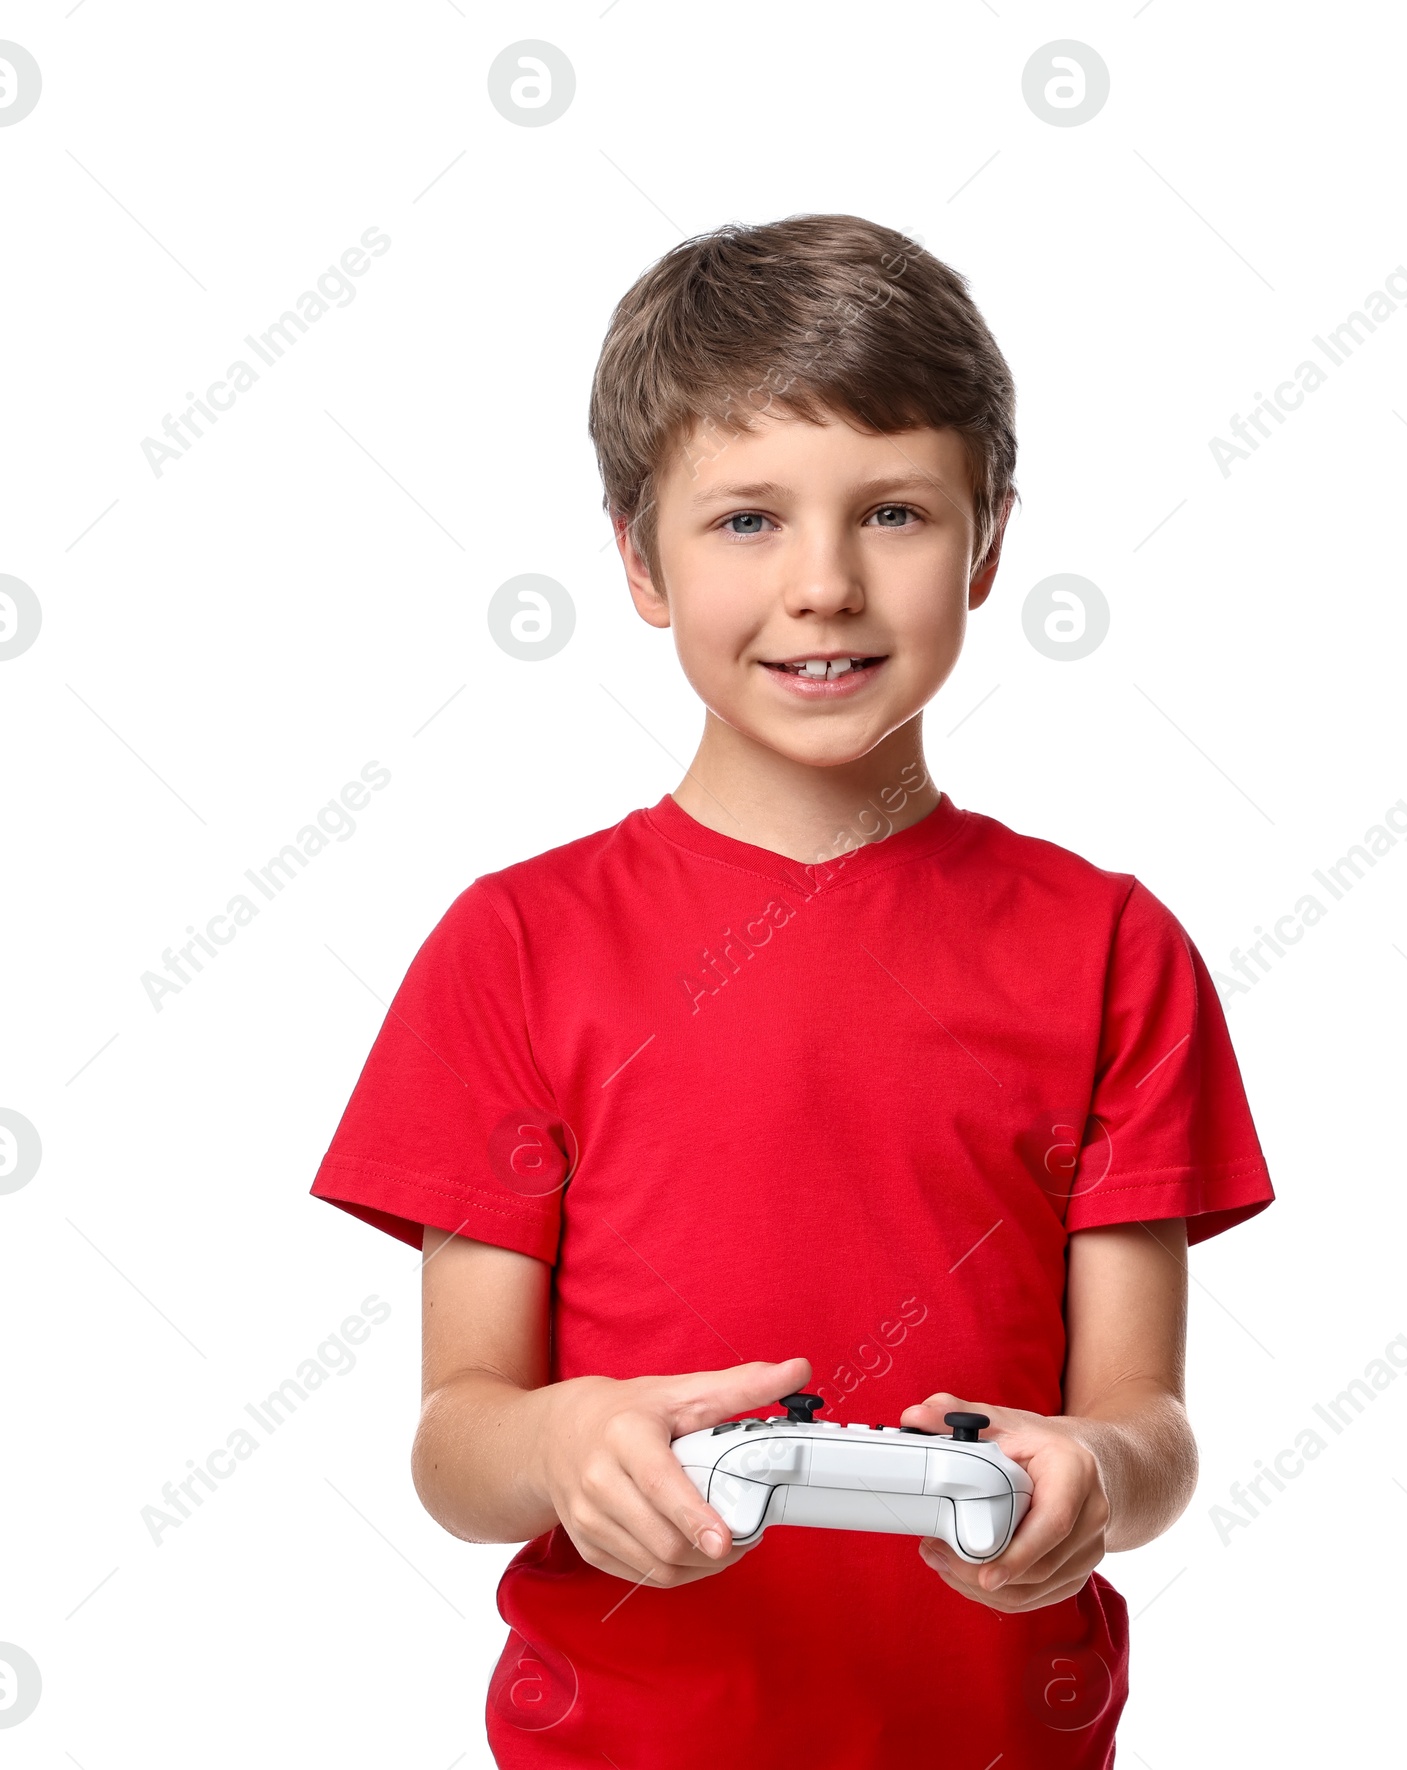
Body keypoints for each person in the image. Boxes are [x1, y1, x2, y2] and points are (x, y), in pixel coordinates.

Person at [310, 212, 1275, 1767]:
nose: (824, 585)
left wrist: (1096, 1467)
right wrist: (563, 1442)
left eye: (893, 511)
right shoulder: (513, 946)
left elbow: (1149, 1425)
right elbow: (456, 1437)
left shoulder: (1113, 950)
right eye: (748, 519)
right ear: (637, 556)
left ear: (989, 544)